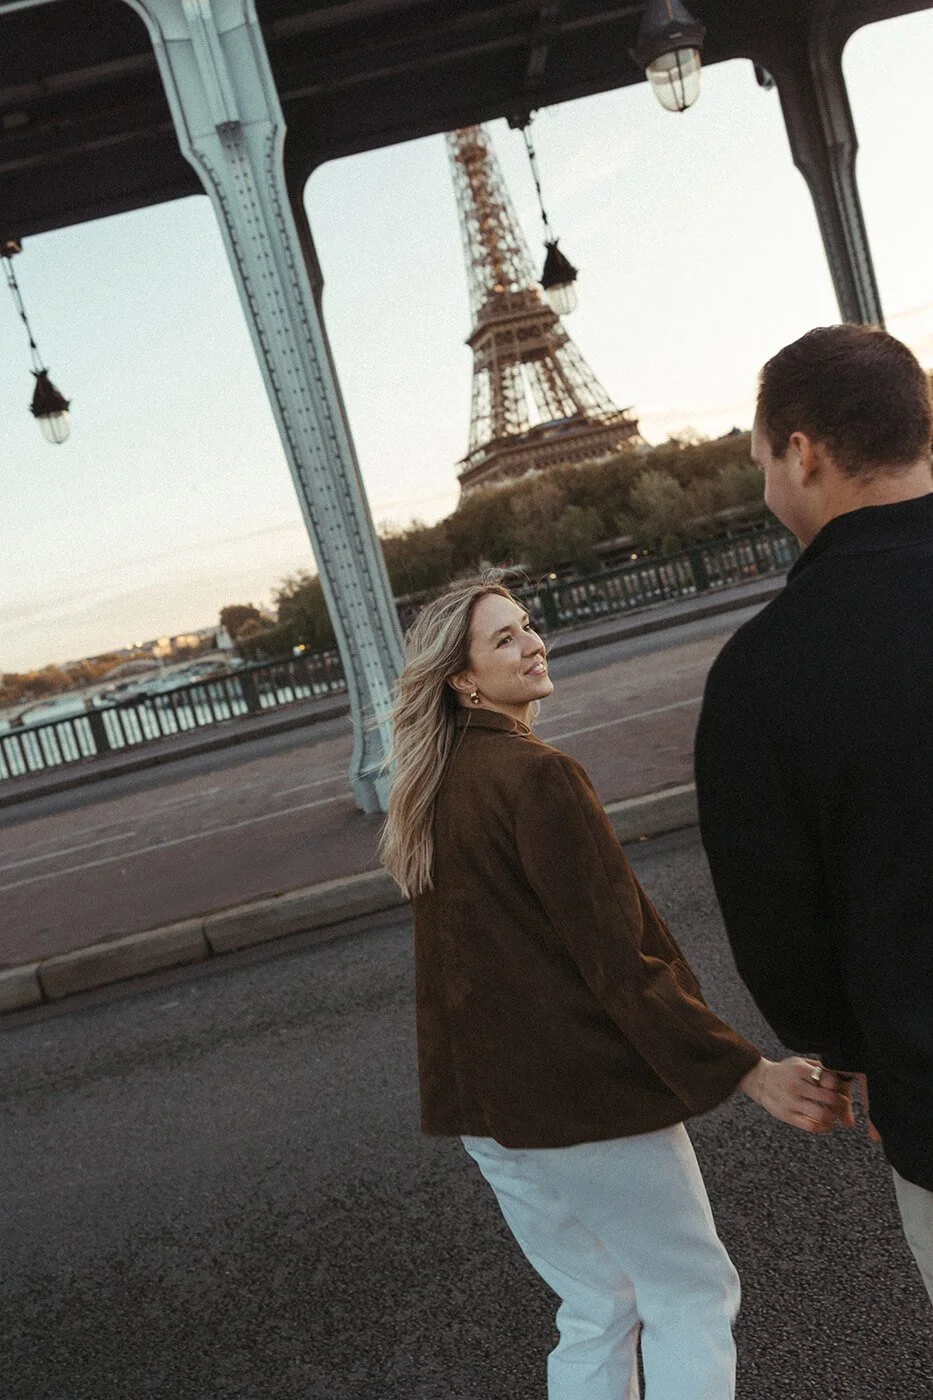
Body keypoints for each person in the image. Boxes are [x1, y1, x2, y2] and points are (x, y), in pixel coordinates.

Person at [380, 579, 846, 1400]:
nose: (533, 644)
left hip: (488, 1110)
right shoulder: (536, 777)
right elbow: (618, 959)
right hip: (579, 1098)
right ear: (461, 679)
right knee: (691, 1294)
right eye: (504, 640)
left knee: (599, 1302)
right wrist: (745, 1069)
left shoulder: (434, 789)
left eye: (527, 626)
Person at [694, 323, 933, 1307]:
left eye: (761, 462)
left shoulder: (762, 675)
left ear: (803, 451)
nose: (765, 489)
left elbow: (781, 933)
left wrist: (857, 1055)